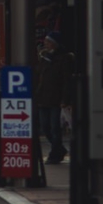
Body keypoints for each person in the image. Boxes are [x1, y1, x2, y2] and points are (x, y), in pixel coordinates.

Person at [36, 32, 74, 164]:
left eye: (48, 41)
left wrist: (65, 100)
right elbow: (39, 75)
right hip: (43, 98)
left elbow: (67, 80)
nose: (45, 44)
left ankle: (55, 153)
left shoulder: (65, 58)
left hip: (56, 99)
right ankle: (59, 149)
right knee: (45, 127)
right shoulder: (44, 57)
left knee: (55, 127)